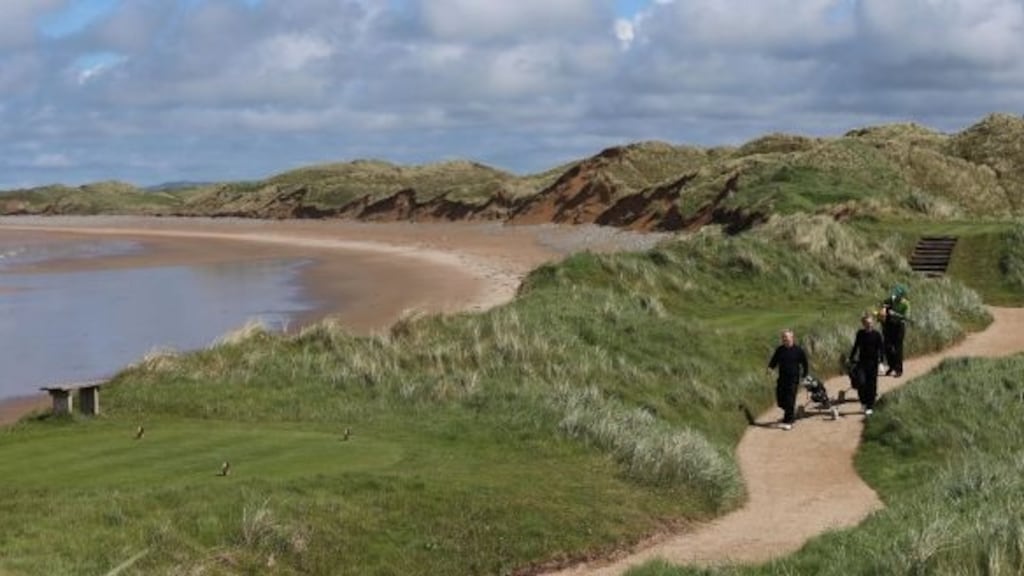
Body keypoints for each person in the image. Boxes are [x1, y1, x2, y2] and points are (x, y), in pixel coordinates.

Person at [767, 328, 809, 430]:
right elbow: (774, 360)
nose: (784, 339)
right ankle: (790, 412)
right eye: (783, 337)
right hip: (782, 378)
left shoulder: (798, 350)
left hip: (793, 379)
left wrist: (804, 375)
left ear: (792, 338)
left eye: (786, 337)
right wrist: (770, 368)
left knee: (790, 399)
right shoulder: (780, 350)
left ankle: (788, 421)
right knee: (780, 400)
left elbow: (805, 363)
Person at [849, 312, 885, 415]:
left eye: (870, 322)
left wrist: (881, 363)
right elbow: (856, 346)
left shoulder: (877, 335)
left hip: (873, 363)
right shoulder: (860, 334)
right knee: (861, 383)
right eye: (866, 323)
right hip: (862, 362)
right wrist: (851, 358)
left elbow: (881, 349)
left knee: (871, 385)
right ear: (863, 324)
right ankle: (863, 402)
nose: (868, 324)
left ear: (873, 323)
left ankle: (870, 406)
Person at [881, 284, 910, 377]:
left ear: (902, 295)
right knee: (887, 347)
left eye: (898, 295)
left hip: (899, 326)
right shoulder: (892, 300)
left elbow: (905, 317)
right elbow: (885, 304)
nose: (895, 296)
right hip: (890, 326)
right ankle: (891, 366)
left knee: (898, 348)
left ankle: (899, 370)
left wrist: (895, 314)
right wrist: (883, 309)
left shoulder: (906, 304)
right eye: (895, 294)